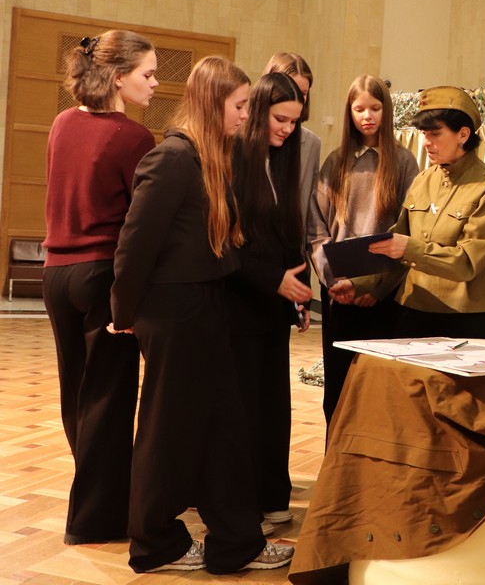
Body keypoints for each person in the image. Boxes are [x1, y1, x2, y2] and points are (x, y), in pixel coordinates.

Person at [109, 55, 294, 573]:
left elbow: (218, 245)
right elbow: (134, 244)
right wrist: (123, 310)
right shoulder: (172, 158)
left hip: (203, 306)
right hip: (174, 311)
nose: (245, 116)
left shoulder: (208, 158)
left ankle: (237, 541)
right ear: (213, 104)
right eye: (239, 106)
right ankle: (153, 543)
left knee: (223, 428)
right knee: (169, 430)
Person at [42, 30, 157, 546]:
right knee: (108, 400)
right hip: (99, 274)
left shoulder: (61, 122)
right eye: (147, 74)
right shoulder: (134, 138)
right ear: (117, 77)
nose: (154, 84)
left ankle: (99, 502)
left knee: (77, 397)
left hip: (55, 274)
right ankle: (95, 520)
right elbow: (141, 223)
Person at [228, 72, 312, 534]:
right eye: (281, 119)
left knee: (273, 409)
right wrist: (273, 280)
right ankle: (238, 507)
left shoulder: (283, 159)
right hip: (238, 303)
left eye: (294, 122)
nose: (287, 129)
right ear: (258, 112)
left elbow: (286, 235)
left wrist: (298, 291)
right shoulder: (233, 156)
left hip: (272, 307)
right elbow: (225, 245)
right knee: (242, 410)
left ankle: (271, 496)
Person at [309, 75, 418, 424]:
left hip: (381, 297)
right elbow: (316, 229)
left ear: (387, 111)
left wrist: (377, 287)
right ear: (349, 112)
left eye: (375, 108)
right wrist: (333, 281)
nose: (367, 116)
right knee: (338, 390)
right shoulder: (336, 161)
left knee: (378, 392)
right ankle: (336, 455)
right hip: (338, 293)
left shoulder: (404, 163)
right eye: (359, 109)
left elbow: (409, 231)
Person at [367, 86, 485, 339]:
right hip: (413, 307)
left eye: (434, 133)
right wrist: (358, 284)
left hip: (466, 314)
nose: (426, 143)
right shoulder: (423, 179)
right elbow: (395, 241)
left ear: (463, 134)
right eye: (423, 134)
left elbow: (467, 262)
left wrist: (409, 248)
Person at [262, 52, 321, 241]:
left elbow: (308, 207)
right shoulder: (239, 139)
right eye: (290, 88)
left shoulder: (311, 143)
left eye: (303, 93)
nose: (297, 98)